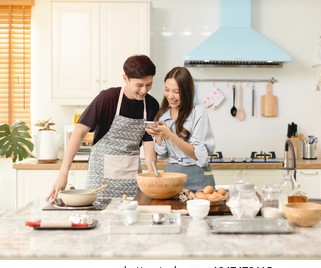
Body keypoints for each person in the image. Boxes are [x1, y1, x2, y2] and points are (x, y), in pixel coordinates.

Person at [47, 55, 159, 201]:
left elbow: (149, 143)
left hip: (132, 180)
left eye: (149, 84)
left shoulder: (151, 105)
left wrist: (152, 178)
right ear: (125, 78)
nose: (144, 90)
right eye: (139, 85)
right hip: (100, 181)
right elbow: (79, 132)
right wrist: (63, 173)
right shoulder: (107, 99)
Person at [145, 66, 216, 191]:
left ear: (187, 92)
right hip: (172, 176)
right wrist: (159, 137)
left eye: (176, 92)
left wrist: (171, 136)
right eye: (167, 90)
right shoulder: (163, 116)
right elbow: (163, 154)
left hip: (198, 178)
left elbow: (200, 156)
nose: (170, 96)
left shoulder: (198, 112)